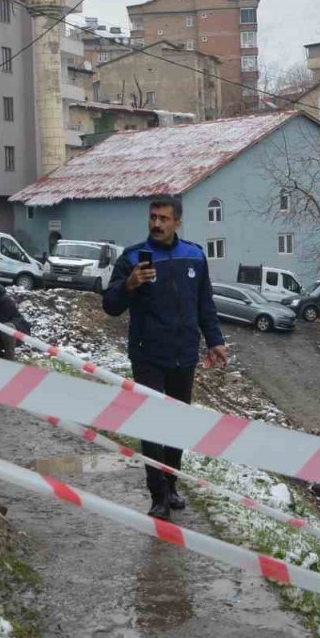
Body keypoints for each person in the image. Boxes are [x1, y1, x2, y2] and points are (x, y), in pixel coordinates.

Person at [103, 195, 228, 521]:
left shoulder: (195, 256)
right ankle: (157, 493)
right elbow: (110, 305)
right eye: (153, 217)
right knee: (152, 423)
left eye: (163, 218)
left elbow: (205, 305)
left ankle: (172, 484)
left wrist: (215, 340)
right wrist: (129, 284)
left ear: (177, 222)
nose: (156, 224)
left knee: (177, 425)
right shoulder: (132, 258)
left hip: (184, 355)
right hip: (148, 355)